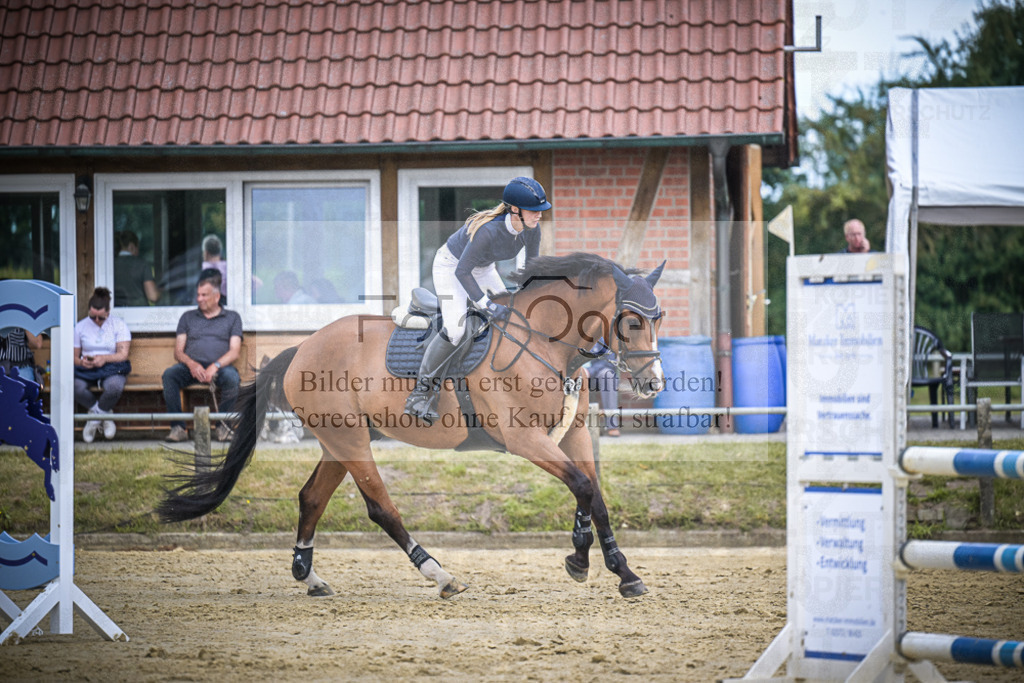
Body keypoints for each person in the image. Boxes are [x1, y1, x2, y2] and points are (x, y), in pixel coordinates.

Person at [404, 176, 551, 424]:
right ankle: (419, 394)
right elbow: (462, 272)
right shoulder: (488, 231)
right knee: (456, 330)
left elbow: (530, 270)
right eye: (533, 211)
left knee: (514, 316)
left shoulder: (531, 229)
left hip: (482, 269)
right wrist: (486, 305)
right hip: (451, 266)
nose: (539, 216)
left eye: (541, 211)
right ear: (515, 209)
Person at [162, 269, 243, 443]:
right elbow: (178, 351)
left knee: (232, 378)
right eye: (198, 295)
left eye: (204, 295)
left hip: (220, 368)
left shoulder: (232, 318)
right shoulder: (188, 317)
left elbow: (234, 351)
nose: (199, 299)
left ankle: (224, 427)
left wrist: (215, 366)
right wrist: (192, 364)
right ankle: (178, 428)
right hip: (191, 368)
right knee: (170, 375)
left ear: (217, 296)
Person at [73, 287, 132, 442]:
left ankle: (94, 420)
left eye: (101, 318)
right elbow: (73, 357)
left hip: (111, 367)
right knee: (75, 387)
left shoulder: (119, 325)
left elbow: (123, 354)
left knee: (114, 387)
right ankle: (105, 415)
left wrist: (104, 358)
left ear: (108, 311)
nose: (97, 321)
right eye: (93, 317)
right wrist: (81, 361)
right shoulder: (80, 327)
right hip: (86, 369)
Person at [113, 230, 161, 305]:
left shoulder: (111, 265)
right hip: (139, 311)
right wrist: (160, 291)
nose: (138, 251)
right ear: (131, 246)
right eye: (137, 247)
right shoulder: (142, 264)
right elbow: (153, 296)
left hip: (115, 312)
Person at [587, 350, 621, 437]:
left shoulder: (603, 338)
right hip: (575, 373)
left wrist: (589, 371)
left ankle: (612, 425)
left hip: (596, 374)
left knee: (608, 375)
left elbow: (608, 361)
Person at [201, 234, 228, 300]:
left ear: (206, 253)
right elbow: (257, 282)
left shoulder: (204, 268)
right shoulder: (229, 266)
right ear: (220, 252)